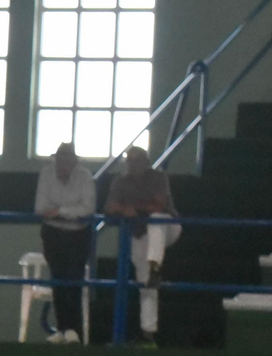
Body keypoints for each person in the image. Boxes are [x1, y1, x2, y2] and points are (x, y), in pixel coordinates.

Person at [105, 145, 180, 343]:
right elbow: (109, 208)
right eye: (128, 160)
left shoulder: (158, 177)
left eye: (136, 160)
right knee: (144, 280)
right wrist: (126, 210)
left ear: (146, 162)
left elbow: (159, 205)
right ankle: (149, 332)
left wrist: (133, 209)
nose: (132, 164)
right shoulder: (120, 182)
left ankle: (156, 266)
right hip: (139, 233)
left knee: (156, 219)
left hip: (167, 227)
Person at [34, 142, 96, 344]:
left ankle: (74, 330)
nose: (62, 165)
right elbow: (40, 207)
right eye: (59, 160)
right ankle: (63, 329)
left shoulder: (85, 176)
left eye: (67, 161)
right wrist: (71, 211)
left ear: (75, 162)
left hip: (78, 236)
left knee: (73, 280)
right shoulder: (46, 173)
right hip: (53, 234)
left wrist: (60, 211)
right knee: (58, 281)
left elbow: (88, 208)